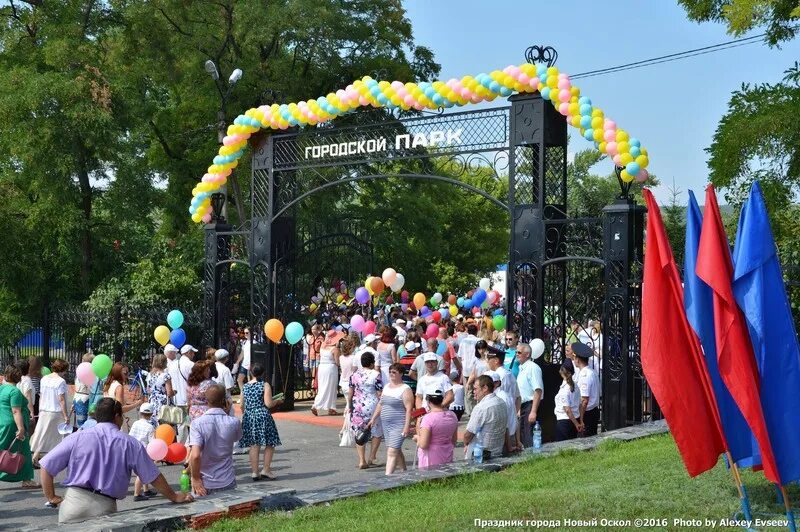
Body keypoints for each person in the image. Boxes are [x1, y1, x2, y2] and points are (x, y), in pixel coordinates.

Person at [40, 398, 191, 523]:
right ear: (117, 416)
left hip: (73, 503)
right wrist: (175, 496)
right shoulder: (130, 443)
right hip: (104, 507)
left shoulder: (77, 437)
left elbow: (46, 466)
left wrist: (51, 497)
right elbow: (153, 476)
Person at [188, 384, 242, 496]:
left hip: (204, 482)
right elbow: (237, 438)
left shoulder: (197, 424)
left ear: (206, 401)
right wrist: (226, 413)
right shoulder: (234, 422)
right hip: (227, 479)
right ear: (225, 401)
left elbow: (195, 455)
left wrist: (195, 478)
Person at [239, 364, 283, 481]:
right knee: (269, 443)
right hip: (262, 415)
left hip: (249, 416)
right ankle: (266, 469)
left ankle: (254, 472)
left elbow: (241, 404)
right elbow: (268, 404)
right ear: (262, 373)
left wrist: (246, 413)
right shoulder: (264, 385)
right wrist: (277, 401)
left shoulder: (245, 386)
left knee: (254, 445)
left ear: (251, 373)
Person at [368, 362, 412, 475]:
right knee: (396, 449)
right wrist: (373, 418)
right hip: (386, 424)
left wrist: (407, 426)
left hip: (399, 424)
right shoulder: (387, 386)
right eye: (390, 372)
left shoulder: (405, 389)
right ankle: (404, 472)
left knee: (392, 451)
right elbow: (381, 404)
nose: (391, 374)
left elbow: (408, 409)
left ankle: (387, 479)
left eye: (394, 372)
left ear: (401, 374)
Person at [0, 364, 37, 487]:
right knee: (24, 450)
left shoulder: (2, 389)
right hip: (13, 425)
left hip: (2, 423)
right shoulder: (14, 391)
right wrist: (21, 428)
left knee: (4, 449)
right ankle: (26, 480)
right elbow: (16, 411)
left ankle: (26, 479)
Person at [347, 351, 383, 469]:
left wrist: (349, 406)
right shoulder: (376, 374)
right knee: (377, 431)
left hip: (358, 405)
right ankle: (372, 457)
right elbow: (379, 393)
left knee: (359, 431)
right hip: (372, 405)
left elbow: (350, 393)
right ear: (372, 363)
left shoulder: (354, 375)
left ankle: (362, 460)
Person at [30, 358, 69, 466]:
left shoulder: (44, 378)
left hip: (43, 410)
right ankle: (52, 461)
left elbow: (41, 394)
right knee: (56, 438)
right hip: (55, 412)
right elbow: (61, 399)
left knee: (43, 435)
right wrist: (66, 416)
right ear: (63, 369)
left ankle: (36, 456)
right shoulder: (61, 381)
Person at [464, 375, 507, 460]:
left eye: (475, 389)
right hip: (498, 452)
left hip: (481, 455)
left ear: (485, 388)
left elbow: (468, 435)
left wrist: (466, 444)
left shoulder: (481, 407)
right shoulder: (502, 402)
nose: (473, 392)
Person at [486, 348, 521, 451]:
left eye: (489, 358)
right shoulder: (508, 373)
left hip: (504, 430)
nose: (487, 361)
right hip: (510, 426)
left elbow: (502, 402)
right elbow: (518, 397)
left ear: (496, 360)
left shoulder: (500, 376)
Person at [416, 389, 458, 468]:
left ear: (428, 401)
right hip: (447, 453)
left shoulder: (428, 418)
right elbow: (454, 440)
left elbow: (423, 444)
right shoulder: (452, 415)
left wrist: (417, 438)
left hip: (431, 458)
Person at [516, 343, 543, 449]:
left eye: (519, 352)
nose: (517, 355)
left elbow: (538, 390)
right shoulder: (521, 368)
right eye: (516, 352)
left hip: (530, 405)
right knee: (524, 434)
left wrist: (533, 411)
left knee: (530, 436)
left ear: (527, 354)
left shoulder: (532, 367)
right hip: (523, 406)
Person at [311, 329, 344, 416]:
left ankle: (330, 408)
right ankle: (319, 405)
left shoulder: (323, 345)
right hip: (331, 368)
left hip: (322, 367)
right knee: (331, 388)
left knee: (323, 387)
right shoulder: (335, 349)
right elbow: (337, 362)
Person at [104, 362, 144, 431]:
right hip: (116, 421)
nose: (127, 376)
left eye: (128, 373)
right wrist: (137, 404)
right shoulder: (119, 387)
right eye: (125, 373)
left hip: (107, 417)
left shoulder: (109, 384)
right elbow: (121, 409)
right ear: (118, 373)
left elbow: (115, 402)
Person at [128, 403, 156, 501]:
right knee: (141, 473)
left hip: (134, 449)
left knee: (144, 470)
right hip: (144, 451)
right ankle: (136, 494)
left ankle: (146, 490)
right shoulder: (150, 427)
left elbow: (130, 436)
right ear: (151, 414)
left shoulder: (135, 423)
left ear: (140, 413)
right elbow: (152, 442)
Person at [573, 342, 601, 436]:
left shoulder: (585, 375)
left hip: (587, 413)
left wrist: (581, 419)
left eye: (574, 358)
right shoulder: (591, 372)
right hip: (592, 411)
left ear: (577, 359)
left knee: (585, 441)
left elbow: (584, 400)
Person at [554, 360, 582, 441]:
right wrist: (580, 421)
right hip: (575, 418)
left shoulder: (565, 389)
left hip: (565, 421)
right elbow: (579, 405)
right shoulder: (575, 385)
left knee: (561, 447)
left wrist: (577, 424)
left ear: (561, 371)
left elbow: (567, 409)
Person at [146, 354, 174, 428]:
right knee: (165, 426)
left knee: (154, 426)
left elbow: (148, 390)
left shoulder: (149, 375)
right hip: (163, 404)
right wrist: (174, 392)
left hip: (153, 403)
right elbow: (169, 393)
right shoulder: (165, 376)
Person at [457, 324, 479, 415]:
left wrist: (461, 366)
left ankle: (470, 411)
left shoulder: (463, 341)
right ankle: (476, 410)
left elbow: (459, 355)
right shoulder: (478, 341)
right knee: (478, 389)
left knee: (468, 391)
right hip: (476, 368)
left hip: (466, 368)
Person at [73, 353, 95, 427]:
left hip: (77, 396)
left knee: (79, 421)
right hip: (85, 398)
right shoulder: (90, 371)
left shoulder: (79, 369)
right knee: (84, 422)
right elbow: (91, 386)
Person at [16, 359, 35, 428]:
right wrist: (31, 412)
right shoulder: (27, 380)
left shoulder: (16, 378)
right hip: (25, 409)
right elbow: (27, 396)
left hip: (16, 406)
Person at [235, 328, 252, 392]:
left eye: (247, 333)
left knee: (250, 381)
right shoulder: (245, 342)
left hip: (250, 364)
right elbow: (242, 353)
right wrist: (237, 362)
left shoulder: (254, 342)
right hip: (244, 364)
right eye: (244, 333)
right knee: (239, 380)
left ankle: (249, 396)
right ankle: (243, 395)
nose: (245, 334)